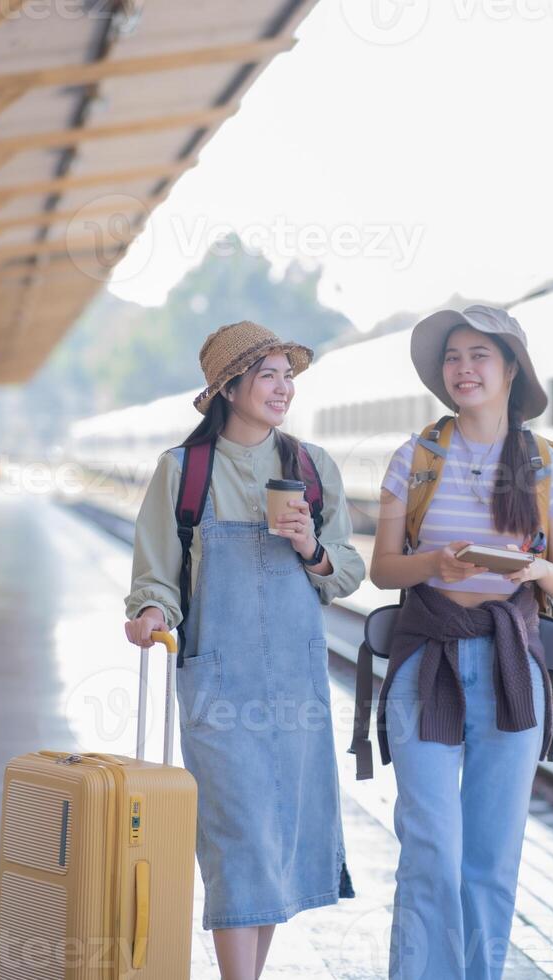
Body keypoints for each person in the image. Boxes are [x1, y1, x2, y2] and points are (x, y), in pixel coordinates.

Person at [124, 320, 365, 980]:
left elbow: (346, 571)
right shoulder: (183, 471)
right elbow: (157, 575)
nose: (284, 387)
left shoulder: (311, 467)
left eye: (289, 375)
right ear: (229, 387)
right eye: (269, 374)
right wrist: (149, 612)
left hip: (295, 688)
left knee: (274, 847)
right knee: (237, 844)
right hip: (220, 690)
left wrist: (309, 547)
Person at [370, 304, 553, 980]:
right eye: (453, 357)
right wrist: (435, 565)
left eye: (479, 355)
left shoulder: (543, 463)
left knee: (491, 858)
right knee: (430, 846)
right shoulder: (416, 456)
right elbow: (381, 569)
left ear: (511, 368)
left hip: (510, 667)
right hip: (427, 660)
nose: (463, 368)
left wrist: (533, 568)